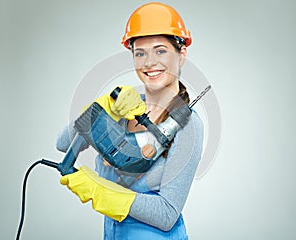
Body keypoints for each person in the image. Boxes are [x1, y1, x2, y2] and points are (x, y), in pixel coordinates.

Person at [57, 2, 204, 239]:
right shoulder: (125, 106)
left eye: (160, 50)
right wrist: (103, 107)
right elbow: (63, 143)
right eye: (140, 53)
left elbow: (167, 215)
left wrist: (102, 191)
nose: (149, 62)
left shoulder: (187, 126)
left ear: (181, 54)